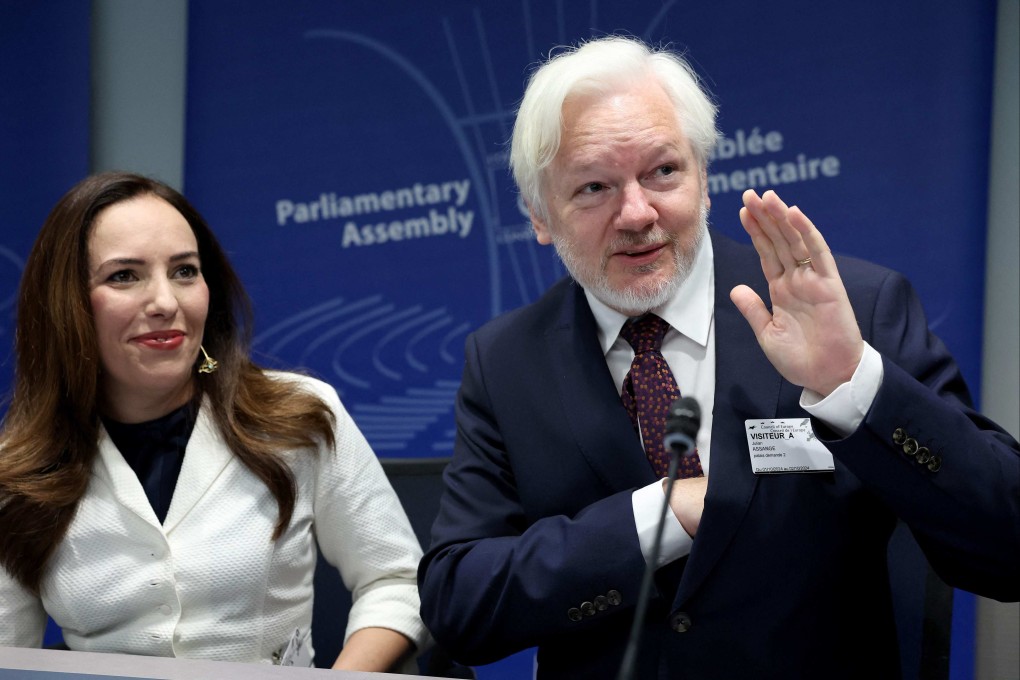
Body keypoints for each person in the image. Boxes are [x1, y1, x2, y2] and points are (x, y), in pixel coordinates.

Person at [417, 36, 1020, 679]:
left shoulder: (856, 309)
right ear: (540, 215)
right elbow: (460, 604)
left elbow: (1008, 546)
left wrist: (854, 384)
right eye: (594, 186)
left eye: (663, 171)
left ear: (704, 178)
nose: (637, 212)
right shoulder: (507, 360)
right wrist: (663, 514)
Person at [0, 172, 430, 671]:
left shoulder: (300, 414)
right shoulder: (20, 476)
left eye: (184, 271)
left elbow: (397, 580)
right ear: (66, 304)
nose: (166, 302)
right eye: (124, 276)